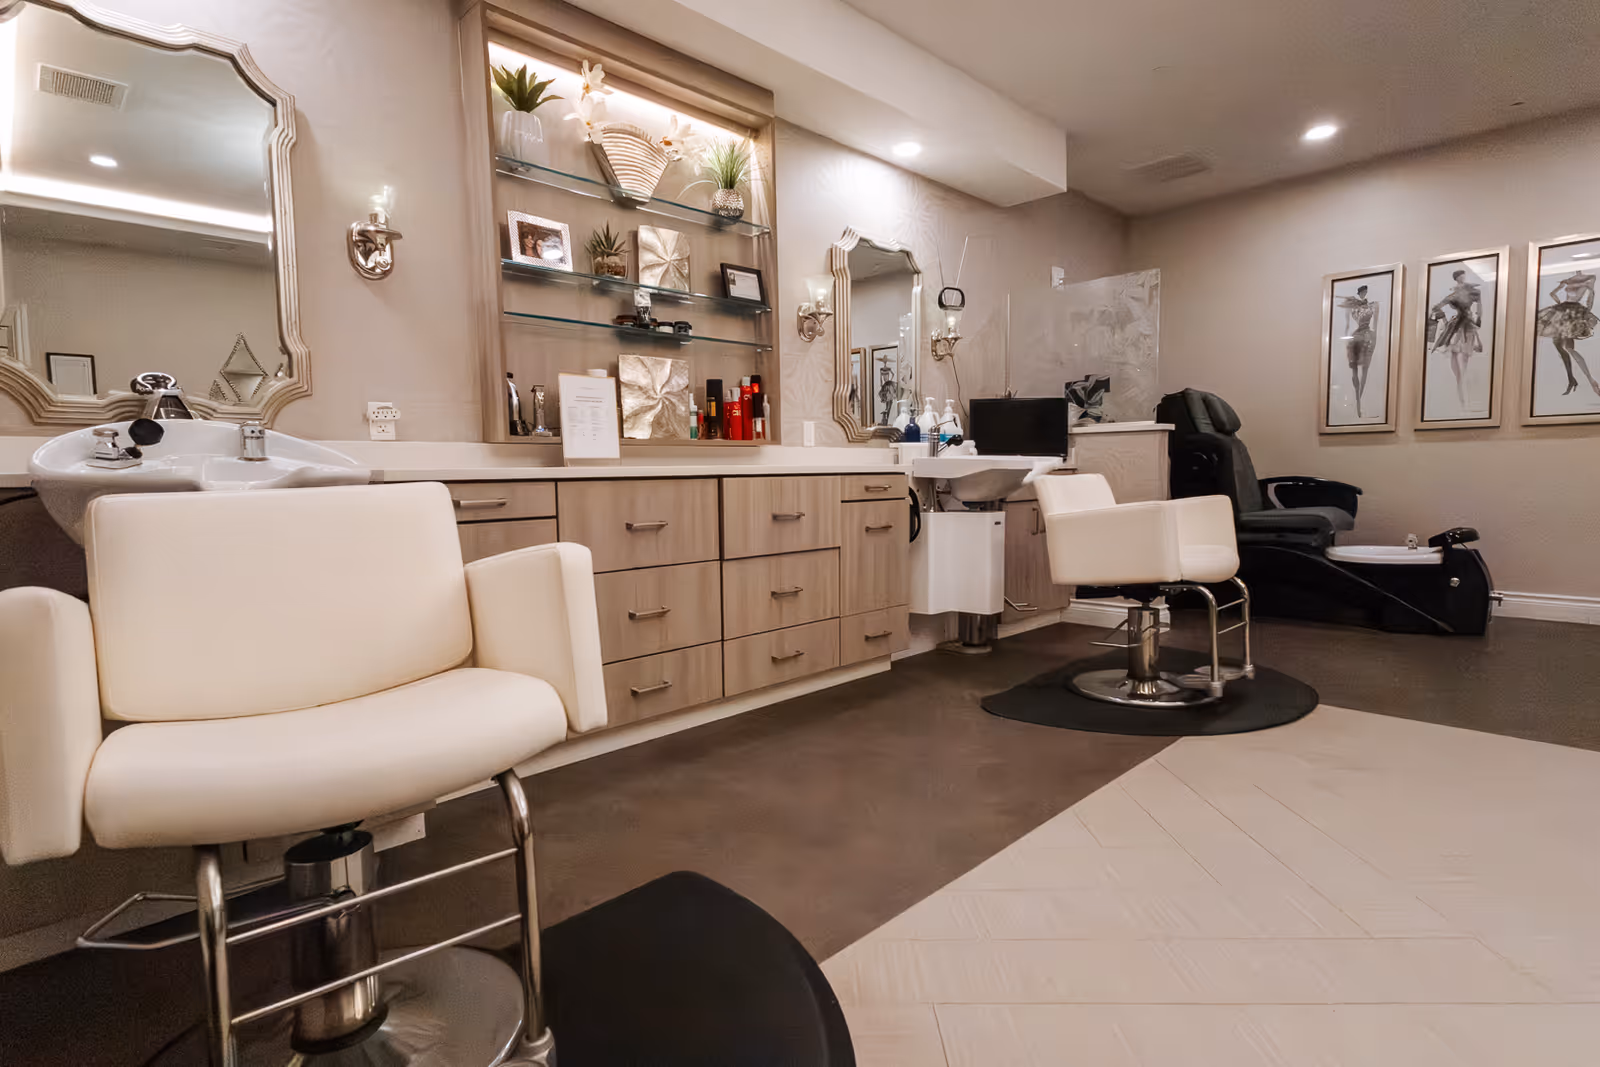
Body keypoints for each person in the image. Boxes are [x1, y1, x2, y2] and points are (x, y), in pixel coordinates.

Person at [1534, 270, 1600, 398]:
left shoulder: (1590, 277)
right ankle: (1575, 380)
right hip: (1562, 310)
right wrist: (1559, 292)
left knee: (1567, 348)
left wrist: (1586, 313)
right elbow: (1552, 294)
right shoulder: (1570, 279)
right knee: (1562, 347)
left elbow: (1591, 295)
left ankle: (1588, 380)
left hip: (1573, 312)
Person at [1428, 268, 1483, 408]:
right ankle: (1462, 401)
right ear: (1457, 278)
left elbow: (1479, 307)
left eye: (1463, 275)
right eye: (1460, 276)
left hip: (1467, 327)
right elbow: (1436, 307)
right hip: (1457, 327)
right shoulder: (1453, 295)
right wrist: (1445, 320)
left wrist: (1476, 317)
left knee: (1463, 366)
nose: (1463, 278)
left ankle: (1465, 400)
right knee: (1457, 370)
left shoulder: (1472, 293)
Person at [1337, 284, 1379, 418]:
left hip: (1368, 336)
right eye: (1362, 292)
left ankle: (1359, 404)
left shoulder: (1373, 305)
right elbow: (1347, 325)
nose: (1364, 294)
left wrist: (1375, 337)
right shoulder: (1353, 306)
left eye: (1365, 292)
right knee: (1355, 370)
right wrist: (1345, 340)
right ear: (1360, 293)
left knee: (1365, 370)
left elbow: (1376, 325)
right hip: (1357, 337)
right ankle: (1357, 402)